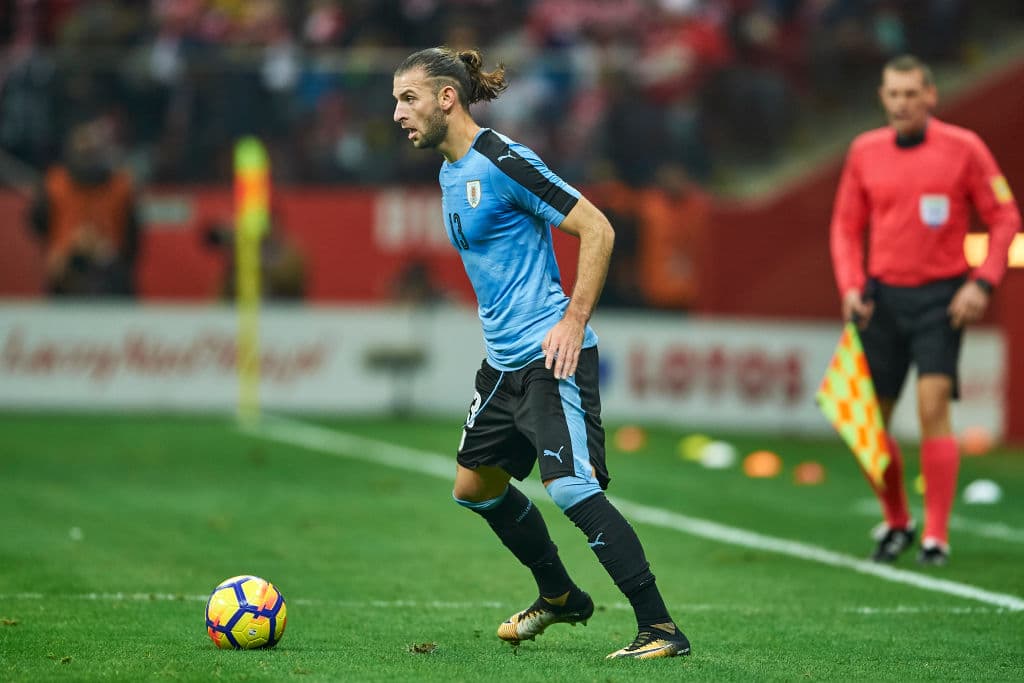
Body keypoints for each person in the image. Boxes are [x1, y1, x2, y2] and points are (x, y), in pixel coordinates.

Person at [392, 47, 690, 660]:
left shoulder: (503, 160)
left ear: (447, 97)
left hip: (550, 356)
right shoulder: (449, 172)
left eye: (408, 98)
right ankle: (559, 596)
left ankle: (660, 628)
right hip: (503, 365)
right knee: (473, 488)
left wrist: (574, 321)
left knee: (571, 488)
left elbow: (598, 228)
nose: (397, 112)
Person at [829, 55, 1021, 566]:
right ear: (882, 98)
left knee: (933, 407)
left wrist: (982, 282)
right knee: (869, 425)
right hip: (881, 300)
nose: (903, 103)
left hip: (942, 298)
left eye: (912, 93)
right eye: (894, 94)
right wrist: (850, 285)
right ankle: (897, 521)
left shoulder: (964, 149)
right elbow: (846, 228)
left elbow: (1005, 218)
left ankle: (935, 536)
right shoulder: (864, 151)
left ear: (931, 95)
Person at [28, 117, 141, 297]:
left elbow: (133, 239)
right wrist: (67, 249)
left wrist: (106, 253)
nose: (87, 157)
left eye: (92, 151)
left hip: (111, 275)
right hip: (64, 274)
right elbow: (38, 224)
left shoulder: (120, 187)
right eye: (83, 150)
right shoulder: (55, 184)